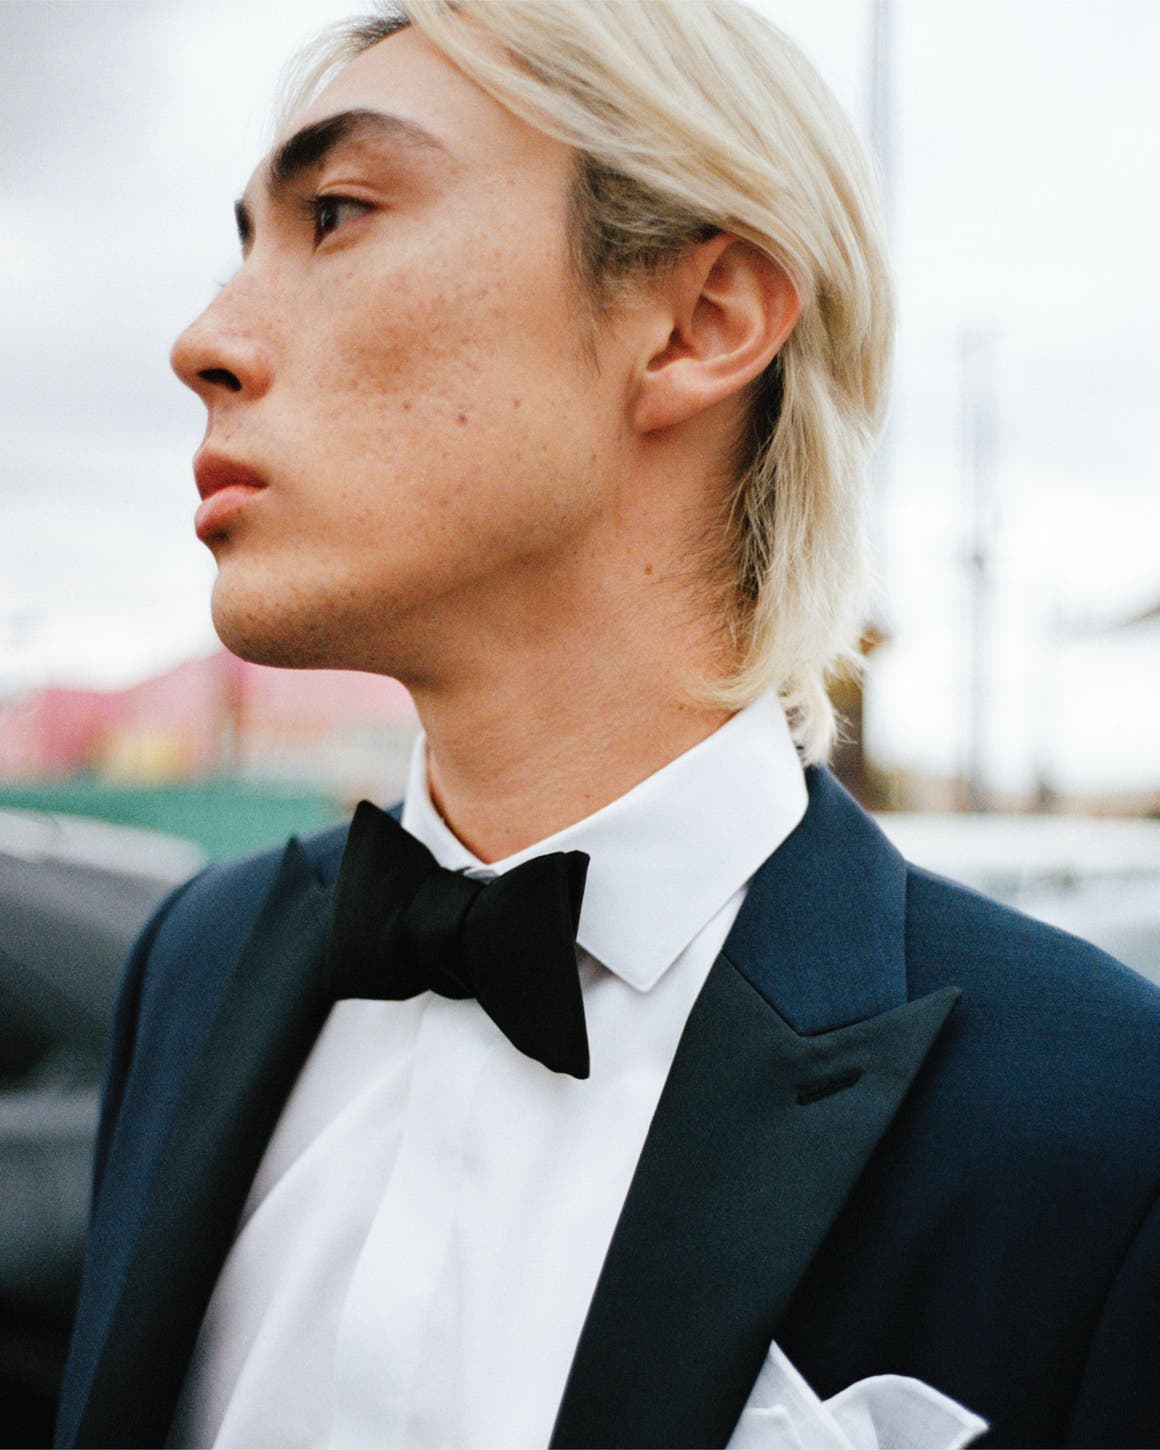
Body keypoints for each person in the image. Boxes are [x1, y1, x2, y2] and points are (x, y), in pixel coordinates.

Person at [56, 3, 1160, 1447]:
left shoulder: (1097, 1121)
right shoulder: (193, 968)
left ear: (701, 321)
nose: (206, 338)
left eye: (335, 213)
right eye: (244, 241)